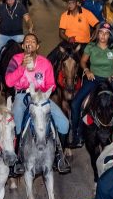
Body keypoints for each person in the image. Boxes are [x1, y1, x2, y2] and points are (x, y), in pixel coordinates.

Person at [5, 33, 71, 175]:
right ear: (23, 46)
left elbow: (52, 84)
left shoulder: (45, 63)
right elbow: (9, 81)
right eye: (27, 41)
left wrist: (43, 93)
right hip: (23, 95)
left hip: (41, 97)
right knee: (15, 121)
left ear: (37, 46)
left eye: (33, 41)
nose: (30, 43)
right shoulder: (15, 60)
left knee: (64, 124)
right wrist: (22, 67)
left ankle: (60, 156)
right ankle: (16, 160)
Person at [71, 23, 113, 148]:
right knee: (75, 103)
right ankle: (76, 134)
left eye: (106, 33)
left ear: (110, 35)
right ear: (97, 33)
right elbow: (83, 61)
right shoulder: (91, 46)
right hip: (94, 78)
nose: (103, 36)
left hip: (109, 79)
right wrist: (87, 71)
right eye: (101, 33)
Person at [0, 0, 33, 78]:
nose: (10, 1)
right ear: (5, 0)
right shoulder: (2, 7)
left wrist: (30, 27)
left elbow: (27, 18)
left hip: (18, 36)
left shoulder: (20, 6)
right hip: (3, 35)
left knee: (30, 53)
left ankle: (29, 76)